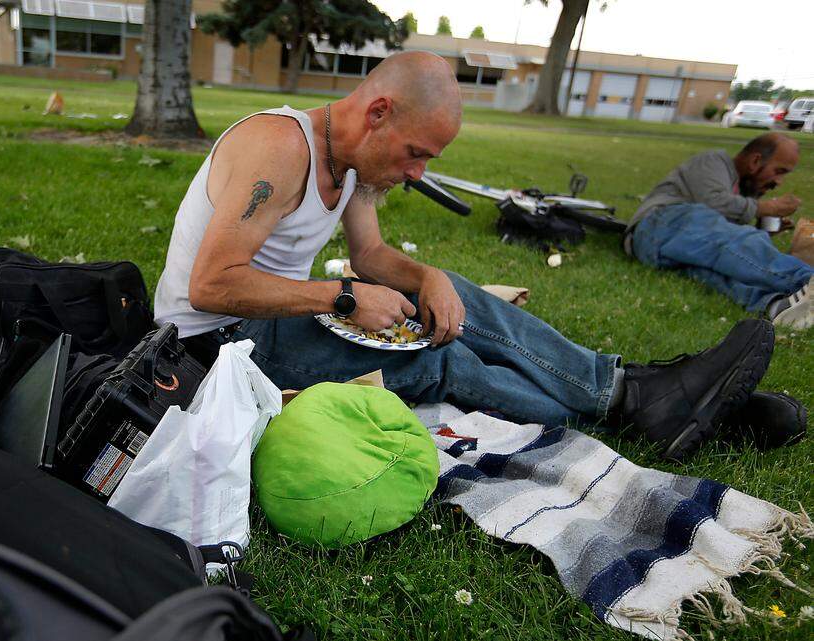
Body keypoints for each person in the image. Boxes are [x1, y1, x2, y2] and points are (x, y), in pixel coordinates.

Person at [153, 52, 788, 460]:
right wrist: (342, 295)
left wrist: (428, 275)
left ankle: (636, 394)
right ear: (378, 112)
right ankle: (639, 404)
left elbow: (370, 252)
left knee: (443, 303)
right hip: (211, 352)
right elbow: (212, 284)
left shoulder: (347, 163)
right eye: (416, 153)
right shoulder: (278, 147)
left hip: (267, 325)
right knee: (443, 360)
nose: (415, 174)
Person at [625, 133, 813, 329]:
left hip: (663, 251)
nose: (779, 181)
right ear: (755, 161)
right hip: (658, 223)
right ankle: (805, 279)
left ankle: (777, 306)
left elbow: (719, 237)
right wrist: (767, 208)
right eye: (779, 171)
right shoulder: (713, 161)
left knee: (718, 273)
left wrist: (760, 227)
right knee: (742, 240)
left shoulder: (740, 189)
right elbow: (713, 203)